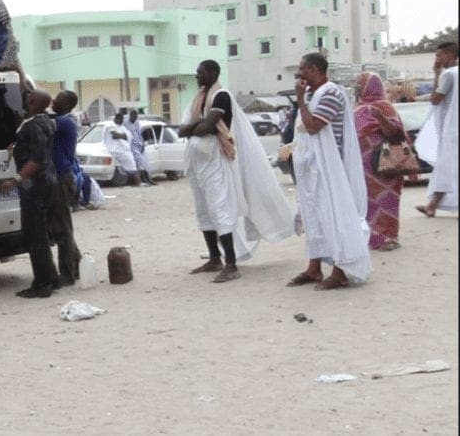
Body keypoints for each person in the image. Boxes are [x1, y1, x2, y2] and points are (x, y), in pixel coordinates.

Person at [178, 60, 295, 283]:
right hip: (198, 163)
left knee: (219, 208)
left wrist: (196, 126)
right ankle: (214, 258)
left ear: (213, 73)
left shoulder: (221, 96)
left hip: (216, 161)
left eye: (200, 73)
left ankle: (231, 264)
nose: (197, 76)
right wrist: (197, 126)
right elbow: (184, 129)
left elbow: (207, 127)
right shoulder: (199, 98)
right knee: (204, 210)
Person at [287, 53, 371, 290]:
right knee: (314, 216)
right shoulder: (313, 93)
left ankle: (340, 271)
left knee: (335, 216)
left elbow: (314, 126)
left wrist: (300, 101)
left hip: (332, 168)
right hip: (313, 169)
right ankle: (314, 269)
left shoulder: (331, 93)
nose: (299, 74)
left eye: (302, 69)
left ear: (314, 70)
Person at [0, 89, 60, 298]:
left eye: (28, 96)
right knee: (41, 233)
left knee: (35, 236)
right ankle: (51, 277)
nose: (25, 97)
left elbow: (36, 159)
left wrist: (15, 180)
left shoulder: (34, 126)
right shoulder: (44, 121)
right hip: (47, 182)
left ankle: (42, 284)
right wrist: (16, 147)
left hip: (35, 186)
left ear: (32, 101)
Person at [353, 72, 406, 251]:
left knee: (386, 199)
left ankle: (389, 237)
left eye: (361, 83)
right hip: (362, 165)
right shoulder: (357, 108)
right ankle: (371, 237)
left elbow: (395, 133)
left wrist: (380, 117)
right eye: (357, 83)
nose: (357, 86)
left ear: (371, 85)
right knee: (366, 201)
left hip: (384, 162)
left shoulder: (385, 106)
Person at [416, 42, 458, 216]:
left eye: (439, 55)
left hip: (452, 129)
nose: (437, 59)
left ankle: (432, 206)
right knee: (448, 167)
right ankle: (432, 206)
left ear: (449, 55)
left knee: (445, 167)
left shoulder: (449, 74)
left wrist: (436, 74)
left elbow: (435, 99)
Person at [48, 90, 82, 285]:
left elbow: (43, 124)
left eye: (58, 99)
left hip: (62, 178)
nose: (54, 100)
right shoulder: (60, 120)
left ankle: (67, 274)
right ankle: (77, 266)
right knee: (60, 226)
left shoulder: (64, 122)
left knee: (63, 229)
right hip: (58, 177)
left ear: (67, 105)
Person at [104, 112, 144, 187]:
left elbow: (126, 137)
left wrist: (121, 135)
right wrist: (123, 136)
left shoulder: (124, 128)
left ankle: (138, 183)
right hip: (111, 152)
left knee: (133, 168)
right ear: (115, 119)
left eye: (121, 119)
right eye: (118, 119)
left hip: (124, 152)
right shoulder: (110, 125)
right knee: (116, 169)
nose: (120, 120)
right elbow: (115, 135)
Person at [124, 109, 156, 186]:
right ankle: (145, 180)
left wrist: (143, 144)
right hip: (131, 145)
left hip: (139, 144)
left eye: (136, 117)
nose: (134, 118)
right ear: (130, 116)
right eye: (133, 117)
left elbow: (139, 133)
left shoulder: (137, 123)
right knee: (140, 162)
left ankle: (149, 179)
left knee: (146, 162)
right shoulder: (125, 123)